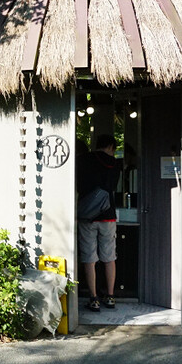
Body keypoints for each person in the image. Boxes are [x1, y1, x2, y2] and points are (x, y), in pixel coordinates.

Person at [76, 134, 121, 312]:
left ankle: (93, 298)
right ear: (110, 146)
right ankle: (110, 296)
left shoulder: (83, 160)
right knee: (109, 257)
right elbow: (113, 187)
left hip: (87, 216)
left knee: (89, 258)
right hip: (108, 215)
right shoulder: (115, 164)